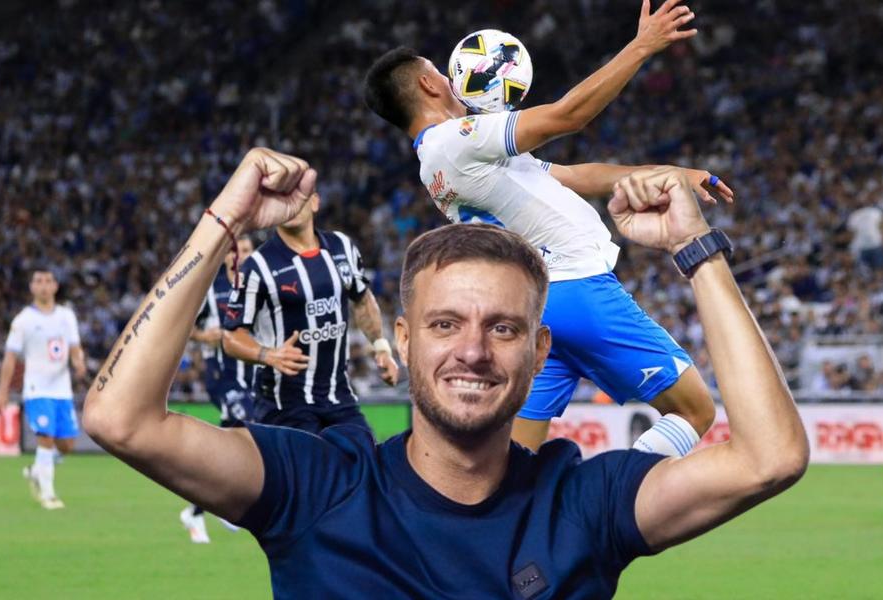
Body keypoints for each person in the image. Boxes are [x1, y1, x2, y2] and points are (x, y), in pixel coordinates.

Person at [82, 150, 808, 598]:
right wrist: (225, 223)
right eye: (444, 324)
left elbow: (769, 458)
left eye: (503, 327)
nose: (472, 350)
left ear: (539, 351)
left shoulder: (580, 504)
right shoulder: (319, 487)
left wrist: (696, 250)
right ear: (403, 338)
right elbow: (121, 419)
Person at [364, 0, 729, 455]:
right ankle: (613, 499)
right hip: (578, 289)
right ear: (426, 82)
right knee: (695, 410)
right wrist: (642, 46)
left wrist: (671, 173)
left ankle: (500, 525)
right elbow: (566, 117)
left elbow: (574, 175)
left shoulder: (450, 154)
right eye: (440, 70)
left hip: (536, 308)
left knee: (513, 459)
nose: (450, 77)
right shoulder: (455, 141)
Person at [221, 177, 399, 433]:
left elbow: (362, 298)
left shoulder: (342, 247)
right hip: (283, 405)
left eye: (298, 198)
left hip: (338, 399)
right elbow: (230, 336)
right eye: (282, 201)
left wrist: (381, 347)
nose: (291, 206)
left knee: (364, 462)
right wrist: (268, 355)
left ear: (314, 202)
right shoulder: (257, 267)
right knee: (308, 471)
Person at [180, 235, 256, 543]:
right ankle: (216, 507)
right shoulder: (213, 291)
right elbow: (184, 325)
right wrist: (202, 337)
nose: (243, 256)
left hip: (249, 373)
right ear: (227, 256)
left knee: (234, 441)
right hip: (220, 374)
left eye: (249, 250)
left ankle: (198, 510)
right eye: (238, 251)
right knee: (248, 426)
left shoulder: (259, 287)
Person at [0, 268, 86, 510]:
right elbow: (10, 358)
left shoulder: (67, 316)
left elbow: (75, 348)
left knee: (66, 446)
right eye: (38, 281)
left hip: (62, 389)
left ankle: (37, 469)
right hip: (37, 389)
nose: (43, 286)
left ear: (55, 286)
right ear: (32, 287)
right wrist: (2, 391)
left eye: (48, 281)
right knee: (45, 438)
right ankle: (48, 494)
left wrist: (79, 363)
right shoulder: (24, 320)